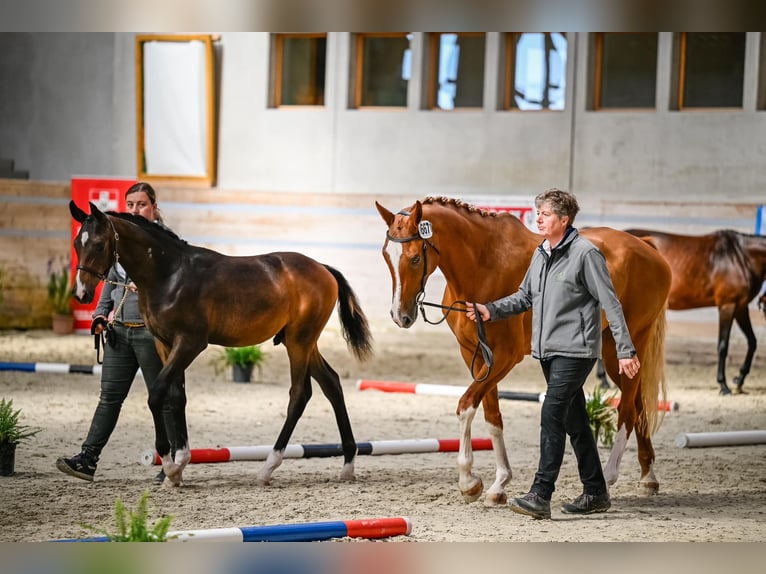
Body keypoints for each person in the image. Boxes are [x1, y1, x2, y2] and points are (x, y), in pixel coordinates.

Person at [466, 188, 640, 520]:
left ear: (563, 219)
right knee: (575, 422)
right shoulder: (541, 253)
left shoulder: (586, 254)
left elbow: (612, 304)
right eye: (538, 212)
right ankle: (596, 492)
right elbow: (523, 297)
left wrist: (625, 350)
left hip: (575, 351)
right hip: (547, 352)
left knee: (552, 414)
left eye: (545, 214)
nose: (538, 218)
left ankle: (540, 494)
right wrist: (489, 310)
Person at [56, 182, 180, 482]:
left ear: (154, 207)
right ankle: (88, 458)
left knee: (162, 398)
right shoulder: (117, 240)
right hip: (120, 330)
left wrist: (150, 284)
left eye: (141, 204)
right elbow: (109, 279)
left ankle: (171, 461)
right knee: (109, 397)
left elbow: (180, 284)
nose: (136, 209)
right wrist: (101, 313)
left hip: (153, 333)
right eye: (132, 204)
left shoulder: (168, 242)